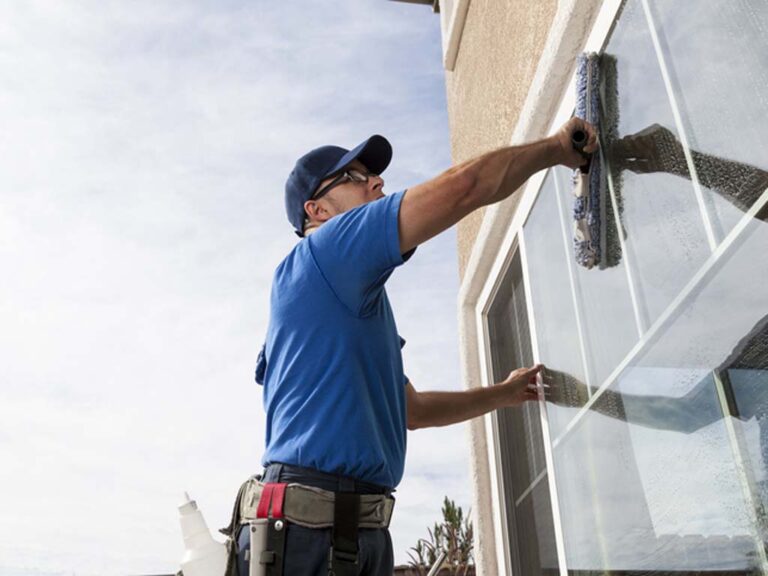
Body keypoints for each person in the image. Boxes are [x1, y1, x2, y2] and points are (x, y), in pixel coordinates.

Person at [238, 117, 598, 575]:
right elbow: (464, 187)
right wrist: (556, 148)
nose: (376, 181)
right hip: (312, 532)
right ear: (318, 211)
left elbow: (412, 410)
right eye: (354, 177)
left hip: (348, 529)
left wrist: (504, 394)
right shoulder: (326, 253)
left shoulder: (347, 304)